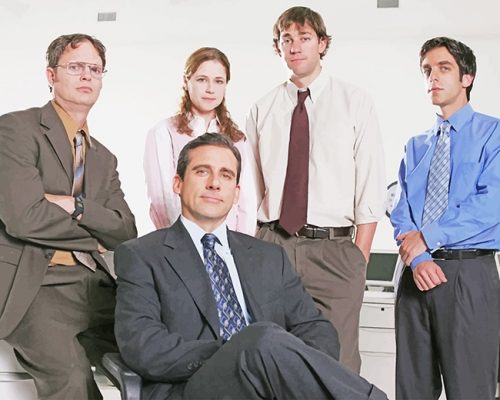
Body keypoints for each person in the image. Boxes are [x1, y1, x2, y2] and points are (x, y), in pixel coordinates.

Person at [114, 133, 387, 400]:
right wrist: (238, 351)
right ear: (178, 183)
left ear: (236, 194)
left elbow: (316, 329)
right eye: (202, 172)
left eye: (226, 175)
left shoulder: (269, 256)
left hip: (271, 387)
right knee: (261, 337)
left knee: (267, 341)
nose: (214, 183)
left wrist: (284, 367)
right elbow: (143, 345)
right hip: (191, 388)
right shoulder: (142, 256)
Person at [245, 6, 386, 372]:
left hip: (334, 251)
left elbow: (370, 185)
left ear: (322, 44)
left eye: (304, 38)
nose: (295, 47)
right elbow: (252, 192)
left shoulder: (355, 102)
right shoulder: (262, 108)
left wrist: (358, 259)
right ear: (277, 47)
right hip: (273, 244)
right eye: (286, 39)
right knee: (272, 357)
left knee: (338, 364)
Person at [0, 33, 137, 399]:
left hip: (97, 287)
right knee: (72, 380)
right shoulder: (16, 130)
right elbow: (24, 217)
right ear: (51, 75)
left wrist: (75, 206)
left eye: (95, 69)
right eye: (75, 67)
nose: (87, 75)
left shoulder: (104, 158)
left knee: (162, 354)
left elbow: (125, 231)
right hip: (38, 288)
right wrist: (95, 234)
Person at [391, 36, 500, 399]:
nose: (432, 77)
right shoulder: (416, 145)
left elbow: (492, 204)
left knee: (470, 390)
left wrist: (428, 237)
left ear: (467, 77)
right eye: (426, 70)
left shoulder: (494, 134)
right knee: (412, 390)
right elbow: (401, 209)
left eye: (443, 68)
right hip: (414, 274)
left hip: (468, 275)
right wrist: (419, 257)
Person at [144, 47, 257, 235]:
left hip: (229, 243)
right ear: (186, 81)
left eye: (218, 81)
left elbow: (246, 204)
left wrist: (242, 246)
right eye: (202, 79)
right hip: (180, 242)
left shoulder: (238, 139)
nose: (210, 89)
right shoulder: (163, 132)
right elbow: (162, 200)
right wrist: (186, 242)